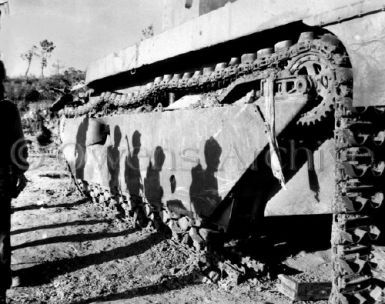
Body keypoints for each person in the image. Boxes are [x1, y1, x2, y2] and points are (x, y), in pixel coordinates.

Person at [0, 60, 28, 303]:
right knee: (1, 229)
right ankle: (4, 277)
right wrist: (21, 171)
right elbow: (18, 144)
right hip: (1, 176)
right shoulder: (7, 108)